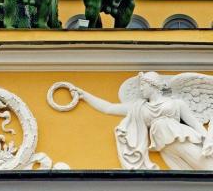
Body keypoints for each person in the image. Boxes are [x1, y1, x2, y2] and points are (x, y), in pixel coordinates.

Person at [69, 72, 213, 170]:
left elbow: (195, 124)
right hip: (168, 151)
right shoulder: (140, 107)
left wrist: (208, 142)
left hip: (184, 140)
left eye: (143, 85)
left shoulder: (176, 103)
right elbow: (109, 108)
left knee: (207, 168)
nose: (141, 89)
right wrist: (84, 95)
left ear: (153, 85)